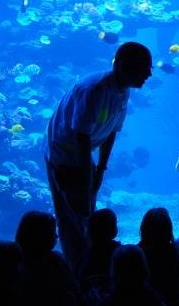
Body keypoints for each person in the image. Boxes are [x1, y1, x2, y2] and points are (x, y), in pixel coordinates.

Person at [44, 41, 153, 269]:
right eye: (144, 69)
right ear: (123, 66)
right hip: (64, 153)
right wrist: (87, 176)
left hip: (83, 154)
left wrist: (100, 170)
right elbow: (80, 136)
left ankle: (89, 262)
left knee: (86, 210)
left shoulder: (123, 90)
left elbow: (112, 130)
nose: (149, 74)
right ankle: (78, 270)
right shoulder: (93, 89)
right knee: (73, 216)